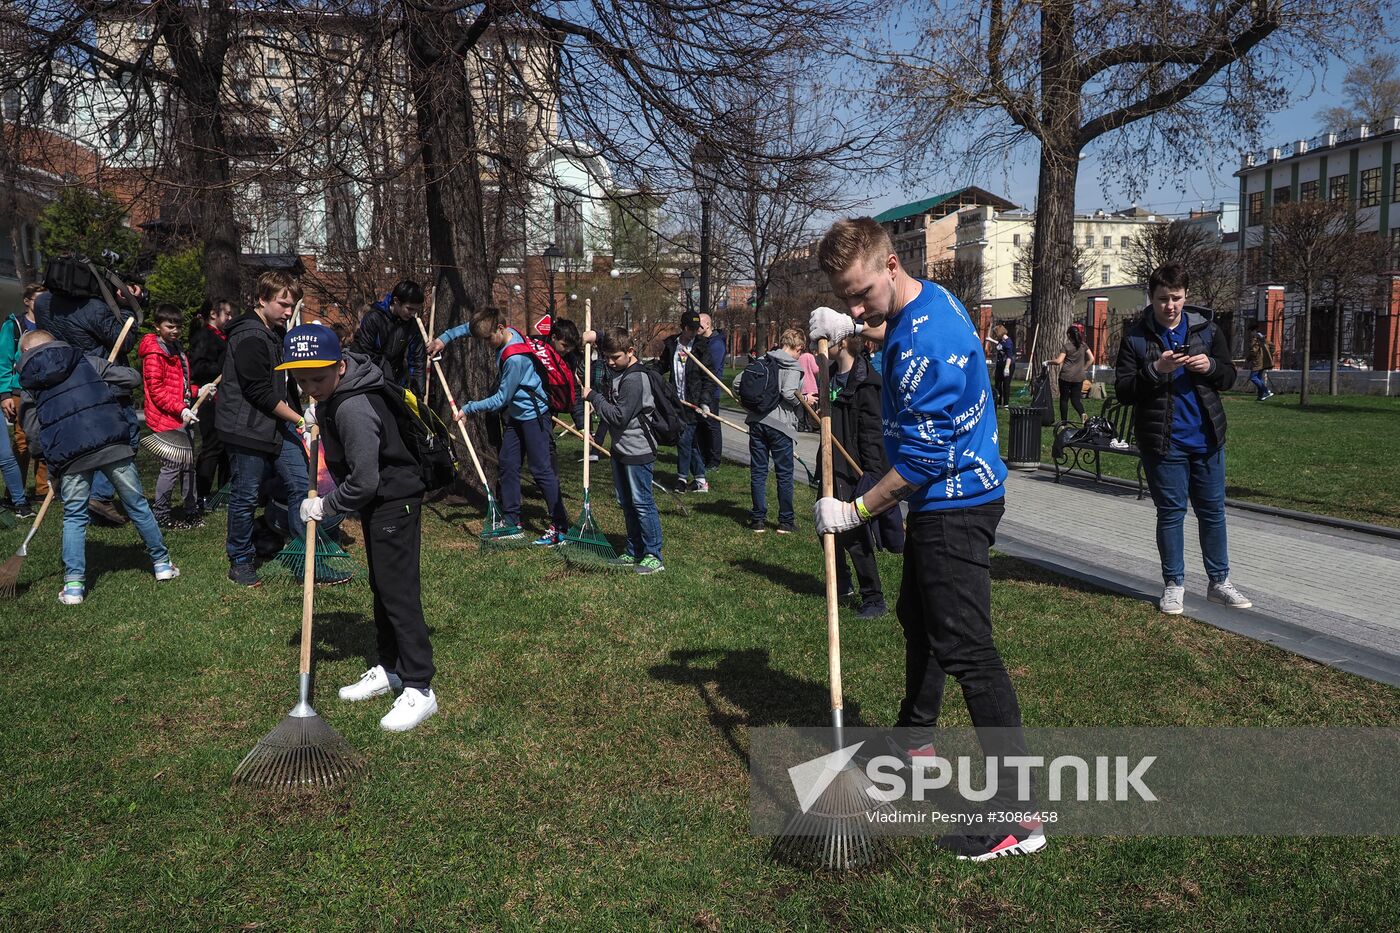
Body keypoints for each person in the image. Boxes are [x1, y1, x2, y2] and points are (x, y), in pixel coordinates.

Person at [809, 216, 1042, 861]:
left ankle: (1017, 815)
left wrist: (853, 511)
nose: (857, 305)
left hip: (954, 503)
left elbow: (918, 465)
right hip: (956, 495)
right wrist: (851, 326)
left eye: (860, 294)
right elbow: (891, 325)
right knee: (920, 618)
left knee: (969, 651)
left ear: (890, 266)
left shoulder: (925, 351)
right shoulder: (929, 302)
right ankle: (914, 742)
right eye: (845, 297)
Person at [279, 323, 438, 732]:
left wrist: (324, 506)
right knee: (381, 586)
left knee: (398, 590)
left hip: (392, 499)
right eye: (302, 380)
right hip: (378, 499)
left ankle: (420, 686)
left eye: (319, 377)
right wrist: (320, 413)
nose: (311, 387)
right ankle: (391, 668)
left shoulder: (351, 407)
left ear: (341, 366)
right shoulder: (337, 397)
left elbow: (364, 481)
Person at [1115, 262, 1251, 616]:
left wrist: (1211, 368)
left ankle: (1219, 581)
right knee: (1172, 513)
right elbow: (1125, 390)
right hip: (1163, 441)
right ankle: (1174, 585)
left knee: (1212, 512)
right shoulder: (1136, 337)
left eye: (1176, 298)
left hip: (1207, 438)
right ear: (1152, 298)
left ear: (1185, 297)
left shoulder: (1206, 331)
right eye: (1163, 299)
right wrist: (1156, 370)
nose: (1170, 306)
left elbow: (1228, 377)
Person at [17, 330, 178, 605]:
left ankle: (74, 586)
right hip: (111, 441)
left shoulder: (29, 383)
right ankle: (162, 564)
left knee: (75, 517)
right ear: (56, 342)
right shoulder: (87, 361)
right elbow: (133, 379)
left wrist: (48, 459)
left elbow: (32, 432)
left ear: (26, 355)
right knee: (137, 505)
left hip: (69, 455)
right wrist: (104, 376)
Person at [216, 271, 311, 588]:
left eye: (292, 304)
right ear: (261, 299)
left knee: (302, 482)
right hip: (247, 429)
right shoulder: (250, 336)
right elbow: (260, 393)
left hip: (275, 425)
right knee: (245, 496)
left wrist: (302, 409)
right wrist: (299, 420)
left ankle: (305, 556)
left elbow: (282, 386)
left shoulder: (274, 333)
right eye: (283, 304)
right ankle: (240, 561)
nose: (288, 311)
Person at [33, 266, 142, 525]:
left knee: (82, 444)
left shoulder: (42, 304)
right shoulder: (93, 308)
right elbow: (124, 339)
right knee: (125, 437)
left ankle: (81, 501)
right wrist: (126, 306)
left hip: (68, 382)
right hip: (103, 381)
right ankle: (101, 496)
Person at [456, 305, 570, 546]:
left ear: (500, 328)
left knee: (541, 470)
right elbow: (469, 329)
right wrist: (444, 339)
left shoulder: (514, 358)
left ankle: (560, 527)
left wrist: (469, 407)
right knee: (508, 464)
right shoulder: (509, 332)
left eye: (488, 339)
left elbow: (500, 399)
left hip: (534, 416)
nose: (487, 344)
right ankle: (512, 521)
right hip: (516, 417)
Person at [585, 327, 664, 574]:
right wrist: (594, 336)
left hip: (638, 450)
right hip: (620, 449)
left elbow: (619, 417)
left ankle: (653, 555)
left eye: (615, 357)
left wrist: (593, 398)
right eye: (606, 357)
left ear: (630, 352)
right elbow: (610, 339)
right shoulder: (618, 368)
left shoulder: (634, 379)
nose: (610, 362)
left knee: (642, 503)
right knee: (626, 503)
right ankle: (633, 550)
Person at [821, 333, 888, 618]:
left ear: (844, 342)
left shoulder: (866, 383)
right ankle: (840, 581)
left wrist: (872, 476)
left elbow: (872, 432)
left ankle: (873, 597)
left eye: (827, 340)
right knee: (824, 526)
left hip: (854, 468)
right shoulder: (831, 376)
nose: (820, 346)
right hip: (830, 463)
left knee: (855, 535)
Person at [732, 328, 806, 534]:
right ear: (798, 347)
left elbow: (737, 383)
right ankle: (785, 521)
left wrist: (751, 406)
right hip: (780, 426)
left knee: (758, 471)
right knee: (784, 474)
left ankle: (758, 520)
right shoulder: (793, 366)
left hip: (757, 423)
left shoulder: (763, 360)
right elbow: (789, 394)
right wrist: (805, 400)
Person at [139, 304, 202, 529]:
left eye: (178, 326)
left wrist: (198, 391)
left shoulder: (176, 349)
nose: (174, 330)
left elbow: (179, 386)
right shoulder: (154, 355)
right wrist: (181, 409)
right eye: (169, 326)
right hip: (166, 419)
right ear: (158, 327)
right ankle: (161, 513)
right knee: (173, 467)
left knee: (188, 467)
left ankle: (191, 511)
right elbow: (156, 391)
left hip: (181, 416)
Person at [1, 284, 45, 517]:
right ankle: (15, 491)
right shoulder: (14, 325)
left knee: (46, 437)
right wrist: (5, 395)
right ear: (27, 301)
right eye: (39, 299)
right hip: (20, 391)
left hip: (46, 388)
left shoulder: (51, 323)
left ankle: (43, 489)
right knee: (22, 441)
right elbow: (4, 361)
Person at [188, 298, 234, 507]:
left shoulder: (223, 337)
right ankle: (203, 492)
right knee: (212, 446)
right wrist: (222, 368)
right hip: (209, 398)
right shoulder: (204, 337)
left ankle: (224, 491)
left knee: (226, 447)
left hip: (224, 399)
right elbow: (198, 368)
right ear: (214, 314)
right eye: (227, 313)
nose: (230, 317)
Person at [660, 310, 710, 493]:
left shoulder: (701, 347)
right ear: (683, 327)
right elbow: (662, 366)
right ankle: (701, 480)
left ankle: (681, 478)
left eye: (697, 329)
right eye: (691, 329)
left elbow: (708, 378)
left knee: (683, 439)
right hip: (676, 400)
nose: (694, 333)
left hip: (693, 403)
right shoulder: (672, 344)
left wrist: (704, 402)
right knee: (690, 441)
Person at [350, 279, 426, 397]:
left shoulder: (412, 326)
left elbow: (418, 360)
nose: (413, 314)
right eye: (410, 309)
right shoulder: (374, 318)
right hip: (370, 382)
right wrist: (384, 367)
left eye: (416, 310)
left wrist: (418, 393)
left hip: (397, 383)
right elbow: (361, 352)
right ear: (396, 301)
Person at [697, 312, 727, 470]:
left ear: (708, 325)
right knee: (701, 425)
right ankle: (703, 457)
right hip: (700, 389)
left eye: (701, 325)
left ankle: (714, 460)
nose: (698, 328)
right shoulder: (701, 341)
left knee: (712, 425)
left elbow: (711, 369)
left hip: (711, 390)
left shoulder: (716, 344)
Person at [1049, 324, 1094, 422]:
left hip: (1066, 376)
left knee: (1064, 399)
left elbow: (1058, 361)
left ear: (1069, 335)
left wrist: (1048, 362)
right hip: (1079, 377)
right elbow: (1092, 359)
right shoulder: (1083, 345)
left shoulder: (1067, 346)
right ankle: (1083, 414)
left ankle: (1064, 422)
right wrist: (1084, 368)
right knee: (1075, 400)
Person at [987, 324, 1015, 407]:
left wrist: (1006, 368)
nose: (995, 336)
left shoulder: (1009, 342)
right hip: (999, 364)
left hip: (1008, 365)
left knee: (1005, 384)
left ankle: (1006, 403)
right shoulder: (1001, 341)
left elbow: (1009, 357)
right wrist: (990, 339)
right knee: (998, 383)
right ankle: (998, 402)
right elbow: (999, 344)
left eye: (996, 334)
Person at [1247, 322, 1275, 401]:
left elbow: (1253, 351)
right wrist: (1269, 355)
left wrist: (1249, 358)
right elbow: (1272, 345)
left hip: (1257, 361)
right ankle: (1261, 396)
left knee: (1253, 377)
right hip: (1264, 361)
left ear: (1253, 331)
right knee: (1259, 378)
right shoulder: (1263, 338)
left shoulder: (1254, 338)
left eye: (1250, 331)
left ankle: (1266, 391)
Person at [797, 343, 821, 431]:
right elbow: (815, 370)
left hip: (800, 386)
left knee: (801, 409)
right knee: (811, 409)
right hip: (810, 386)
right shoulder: (809, 356)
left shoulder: (797, 357)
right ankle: (811, 426)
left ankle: (801, 426)